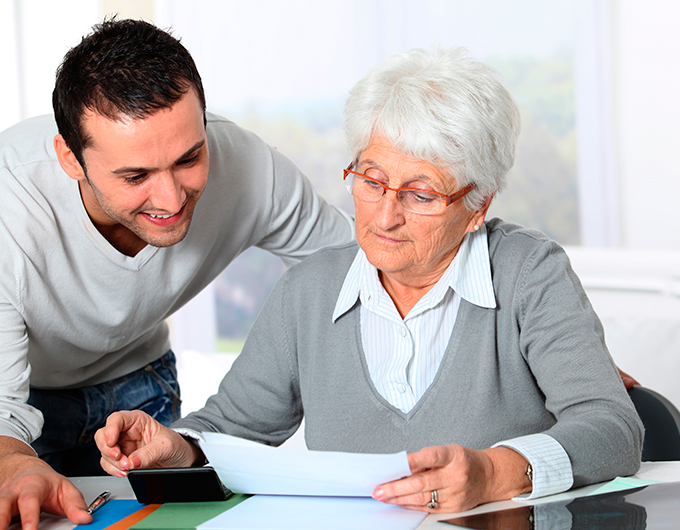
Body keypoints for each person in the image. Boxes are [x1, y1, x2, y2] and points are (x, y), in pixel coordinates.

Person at [98, 48, 643, 514]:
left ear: (479, 205)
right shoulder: (307, 291)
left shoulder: (530, 273)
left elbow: (613, 428)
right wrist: (176, 448)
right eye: (371, 180)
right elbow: (233, 430)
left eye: (421, 194)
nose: (385, 217)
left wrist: (495, 472)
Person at [0, 18, 354, 529]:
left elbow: (355, 268)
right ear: (70, 159)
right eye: (135, 176)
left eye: (189, 158)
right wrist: (12, 462)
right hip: (24, 404)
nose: (171, 199)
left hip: (143, 386)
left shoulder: (250, 168)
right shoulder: (10, 205)